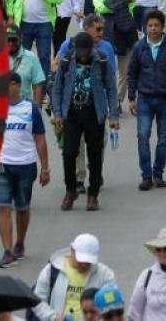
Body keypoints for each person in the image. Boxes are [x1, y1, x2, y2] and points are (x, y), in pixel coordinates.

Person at [50, 32, 119, 212]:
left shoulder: (101, 61)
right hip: (71, 114)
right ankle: (70, 190)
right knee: (69, 152)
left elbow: (111, 89)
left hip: (94, 114)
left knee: (95, 155)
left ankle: (93, 194)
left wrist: (113, 117)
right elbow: (57, 89)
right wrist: (57, 113)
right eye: (79, 51)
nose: (82, 55)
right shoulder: (67, 61)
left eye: (85, 51)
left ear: (91, 49)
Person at [0, 73, 50, 268]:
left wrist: (45, 168)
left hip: (25, 165)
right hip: (1, 165)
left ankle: (20, 243)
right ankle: (7, 251)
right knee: (2, 206)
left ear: (16, 85)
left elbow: (40, 138)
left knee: (22, 207)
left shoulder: (31, 108)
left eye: (7, 84)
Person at [127, 10, 166, 190]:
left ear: (163, 27)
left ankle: (158, 173)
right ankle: (146, 175)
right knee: (143, 136)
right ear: (145, 27)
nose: (153, 29)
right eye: (150, 26)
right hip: (144, 98)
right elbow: (132, 73)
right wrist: (131, 98)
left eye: (156, 25)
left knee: (163, 139)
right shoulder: (139, 47)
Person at [31, 233, 119, 321]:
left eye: (88, 261)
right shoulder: (51, 270)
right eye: (81, 259)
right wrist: (54, 317)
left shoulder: (105, 275)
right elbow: (37, 301)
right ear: (72, 250)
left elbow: (112, 306)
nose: (84, 264)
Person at [5, 24, 46, 105]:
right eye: (8, 40)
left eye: (14, 40)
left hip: (23, 110)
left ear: (21, 39)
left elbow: (37, 85)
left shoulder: (31, 58)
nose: (10, 43)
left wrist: (36, 110)